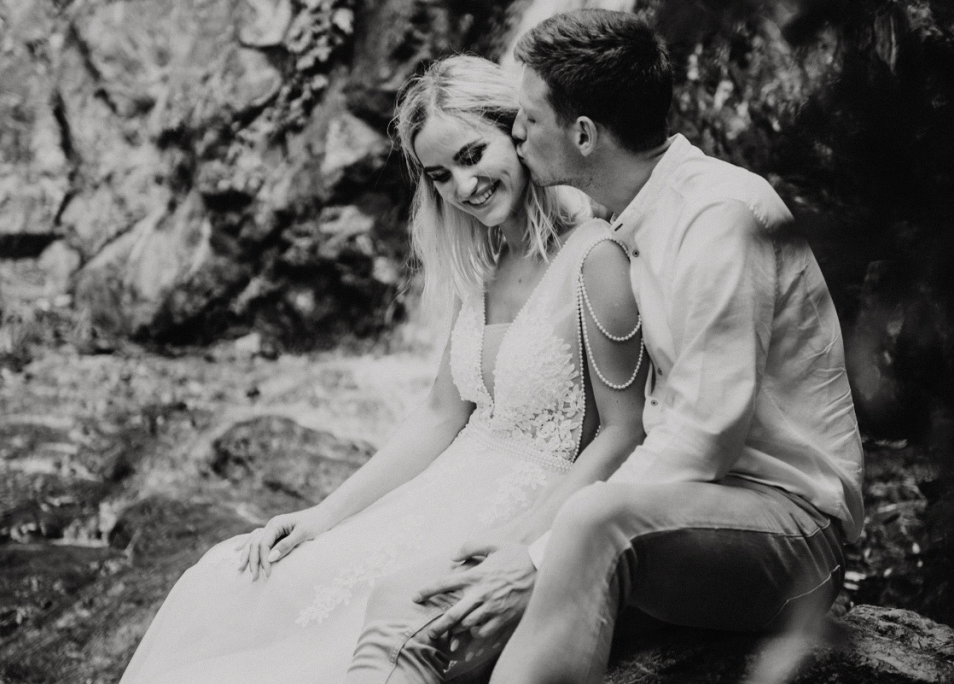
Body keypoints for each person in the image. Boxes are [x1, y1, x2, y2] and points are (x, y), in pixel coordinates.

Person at [347, 10, 865, 684]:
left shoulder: (718, 216)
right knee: (409, 603)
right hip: (670, 523)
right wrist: (521, 546)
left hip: (787, 527)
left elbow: (704, 436)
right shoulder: (621, 225)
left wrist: (536, 556)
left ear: (584, 134)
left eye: (528, 118)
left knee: (589, 525)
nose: (516, 131)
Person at [118, 54, 648, 684]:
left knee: (339, 648)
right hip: (436, 496)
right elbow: (440, 415)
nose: (464, 187)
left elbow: (624, 429)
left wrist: (531, 545)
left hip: (520, 516)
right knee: (229, 580)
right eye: (441, 175)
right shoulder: (481, 269)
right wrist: (325, 515)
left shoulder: (595, 257)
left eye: (473, 155)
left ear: (518, 131)